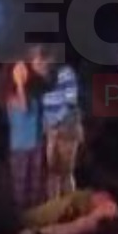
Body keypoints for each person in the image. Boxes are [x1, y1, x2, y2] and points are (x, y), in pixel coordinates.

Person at [0, 52, 49, 211]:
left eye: (24, 69)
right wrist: (19, 84)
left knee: (36, 182)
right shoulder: (10, 96)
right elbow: (23, 107)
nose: (22, 73)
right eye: (18, 70)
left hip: (36, 143)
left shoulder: (33, 94)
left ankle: (34, 212)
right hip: (19, 146)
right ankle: (20, 214)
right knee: (19, 183)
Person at [41, 62, 83, 199]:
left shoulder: (65, 72)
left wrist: (54, 122)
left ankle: (69, 204)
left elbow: (71, 101)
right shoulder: (40, 75)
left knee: (66, 172)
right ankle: (54, 205)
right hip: (51, 128)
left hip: (67, 127)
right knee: (52, 172)